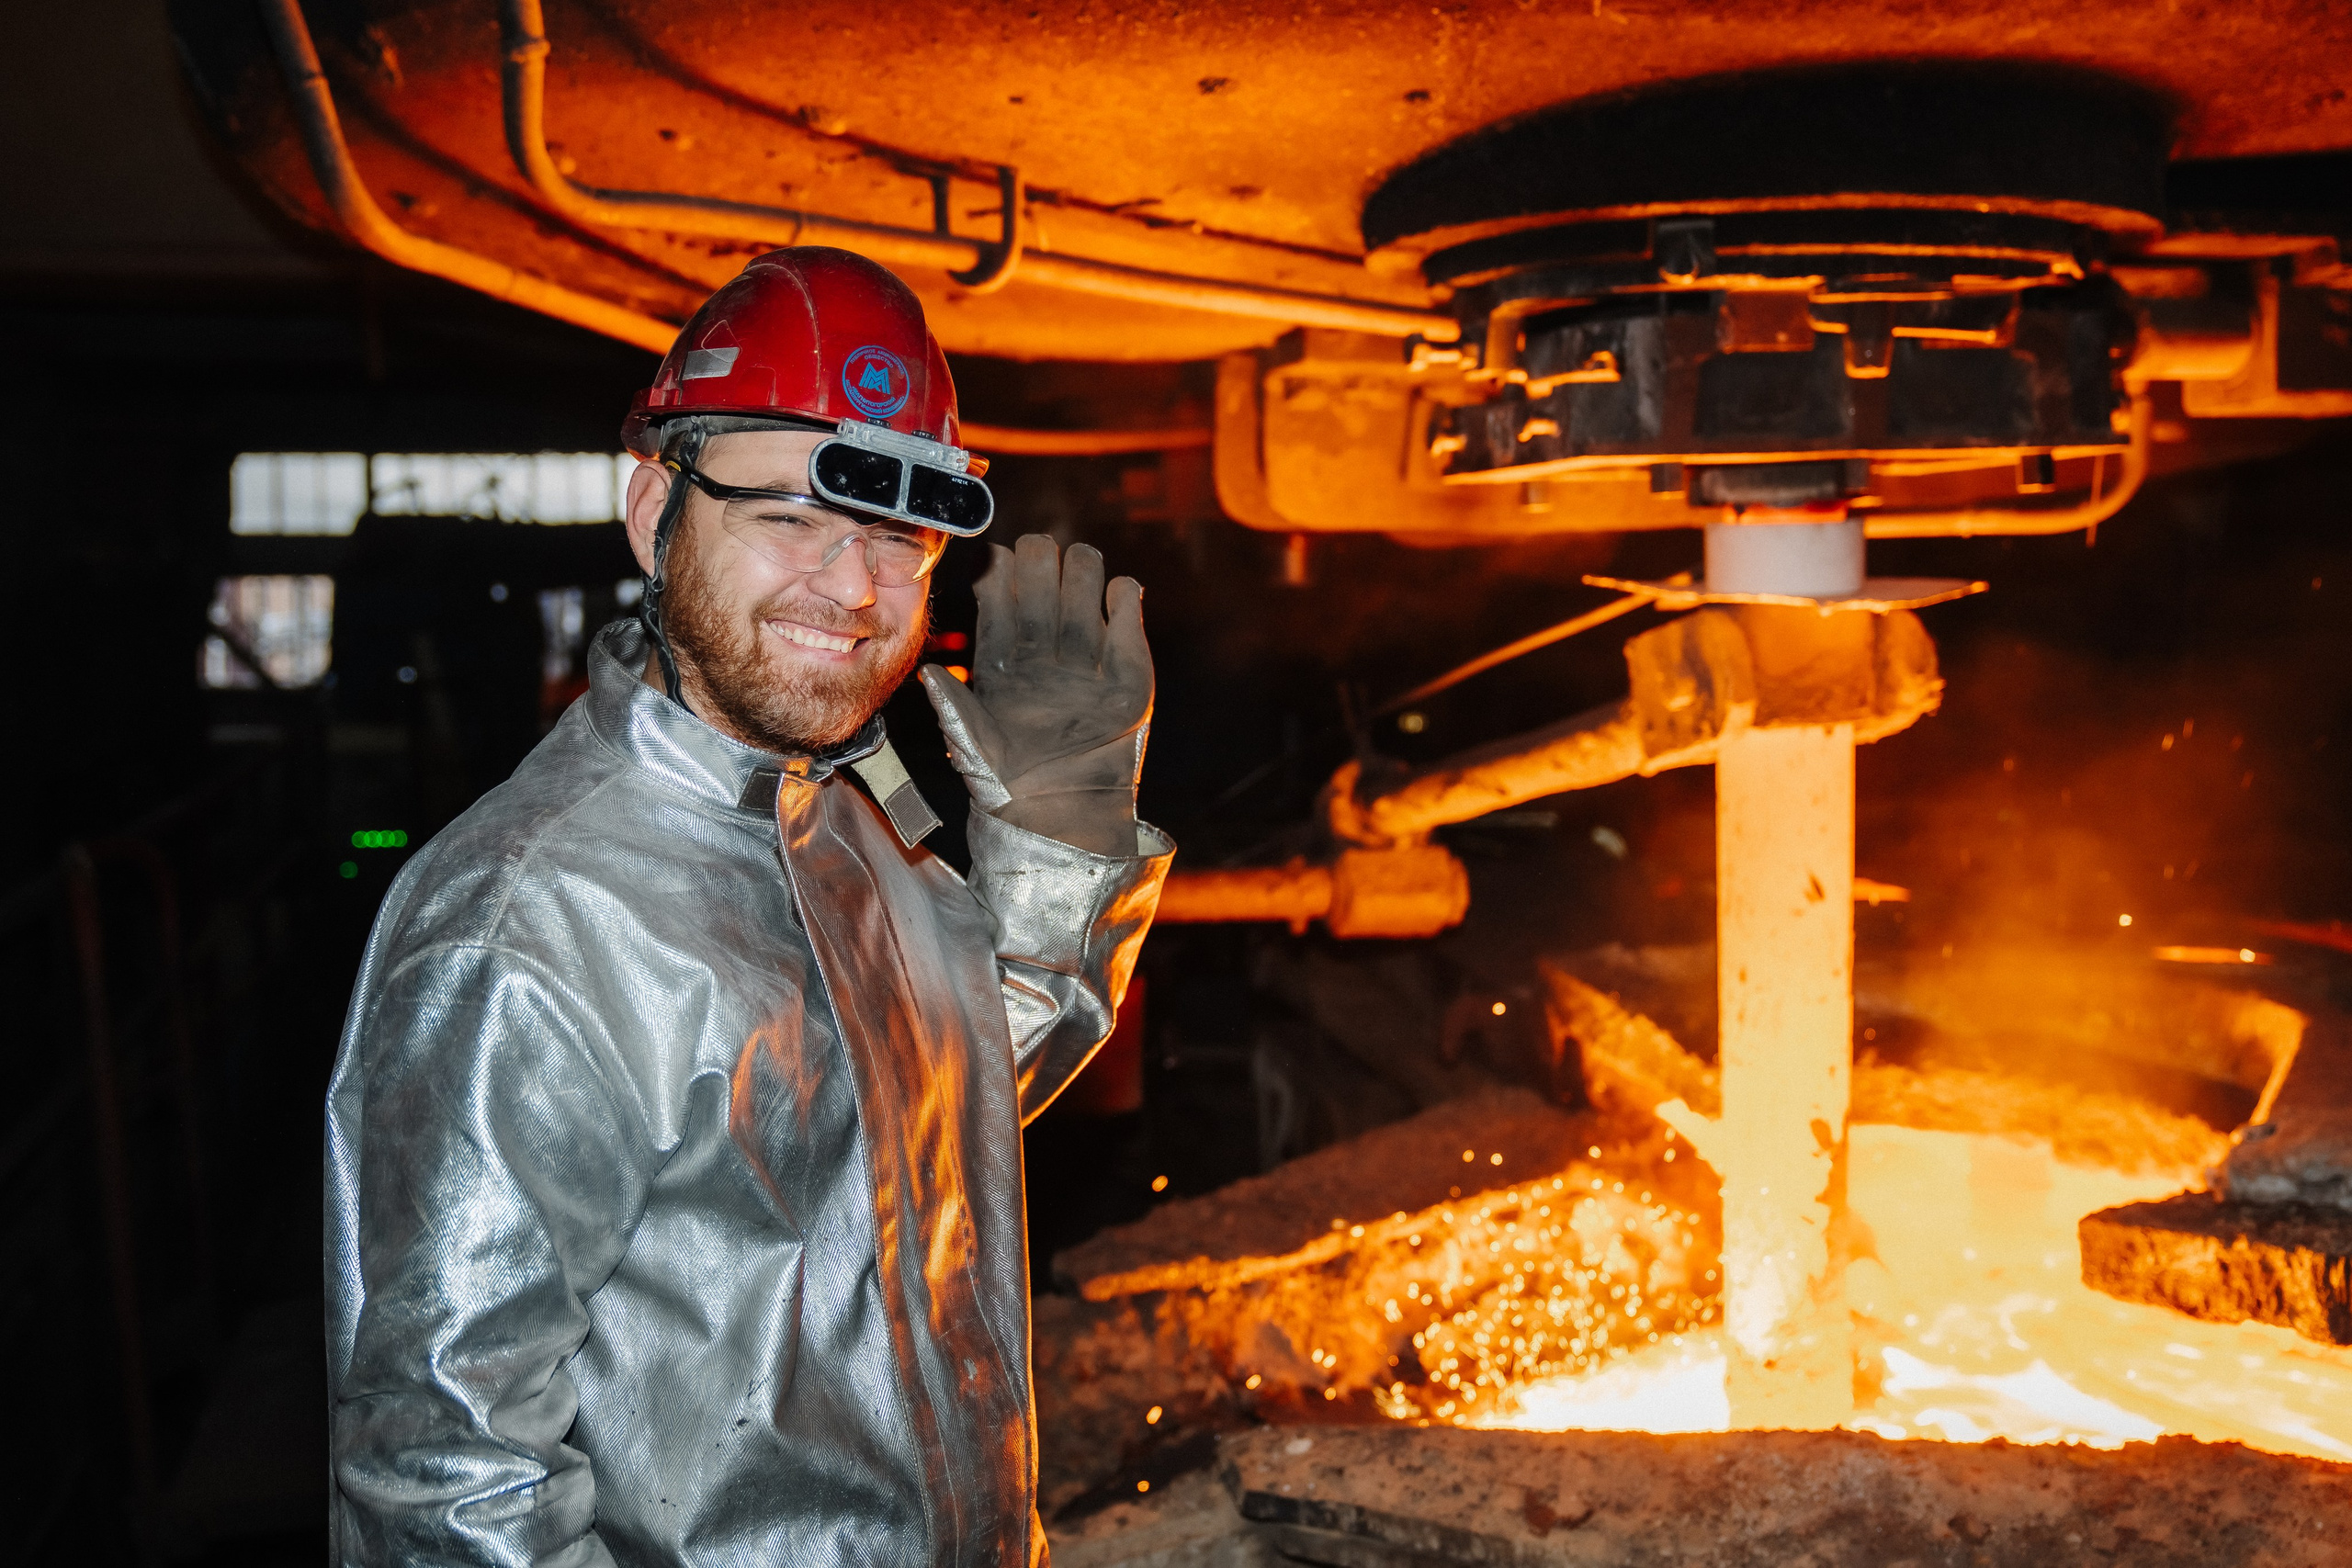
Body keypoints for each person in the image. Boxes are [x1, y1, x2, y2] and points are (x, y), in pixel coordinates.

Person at [323, 248, 1170, 1567]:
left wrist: (1061, 848)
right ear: (655, 510)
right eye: (790, 519)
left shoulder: (842, 816)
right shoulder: (527, 930)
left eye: (899, 534)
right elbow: (447, 1484)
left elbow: (940, 1122)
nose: (852, 589)